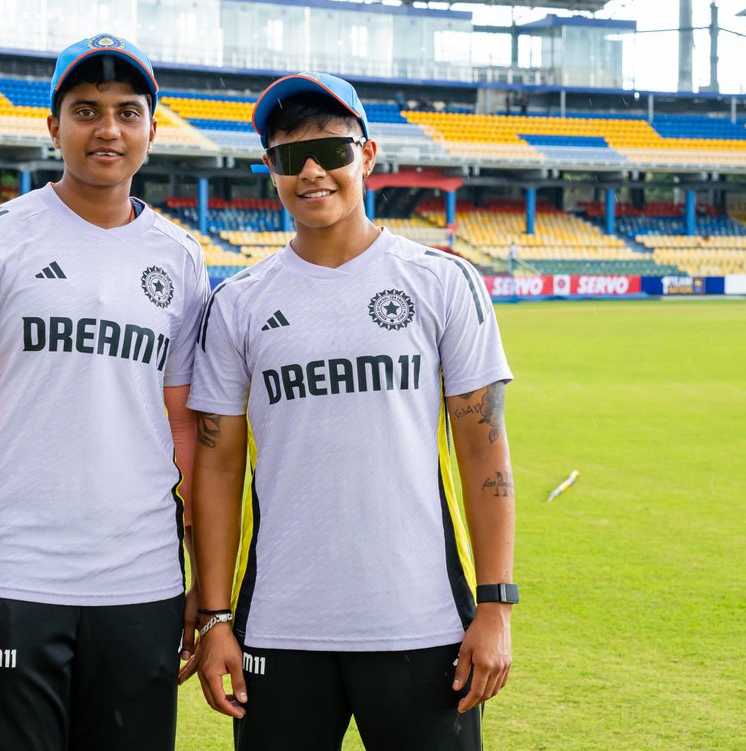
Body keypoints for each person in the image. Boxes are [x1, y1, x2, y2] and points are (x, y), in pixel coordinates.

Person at [189, 72, 517, 751]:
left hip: (423, 621)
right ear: (271, 170)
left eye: (331, 151)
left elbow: (483, 449)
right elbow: (216, 467)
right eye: (289, 156)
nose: (311, 171)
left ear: (366, 156)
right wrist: (216, 617)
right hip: (278, 625)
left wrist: (495, 604)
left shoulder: (441, 281)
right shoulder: (238, 302)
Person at [0, 33, 210, 751]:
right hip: (11, 578)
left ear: (151, 130)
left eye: (127, 112)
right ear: (53, 126)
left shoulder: (181, 258)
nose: (108, 129)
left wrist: (204, 582)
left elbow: (185, 431)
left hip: (143, 582)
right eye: (86, 111)